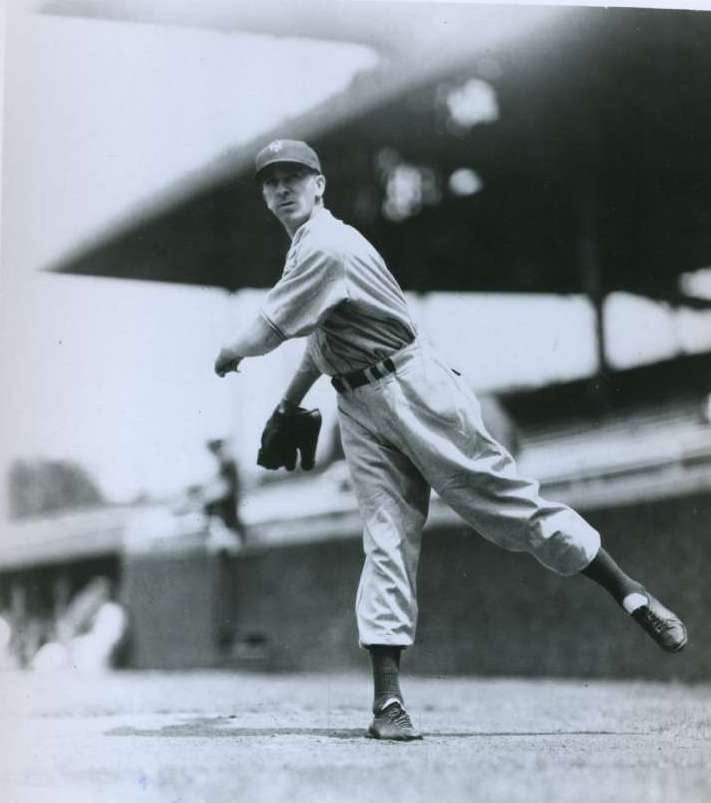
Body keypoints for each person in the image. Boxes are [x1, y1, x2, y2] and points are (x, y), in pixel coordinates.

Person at [213, 139, 688, 742]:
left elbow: (262, 334)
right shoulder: (305, 249)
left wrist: (228, 353)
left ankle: (631, 594)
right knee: (385, 538)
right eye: (271, 180)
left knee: (510, 511)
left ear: (319, 185)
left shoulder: (328, 244)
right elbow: (319, 337)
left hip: (414, 387)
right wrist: (287, 403)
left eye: (294, 177)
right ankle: (389, 703)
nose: (282, 188)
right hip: (358, 403)